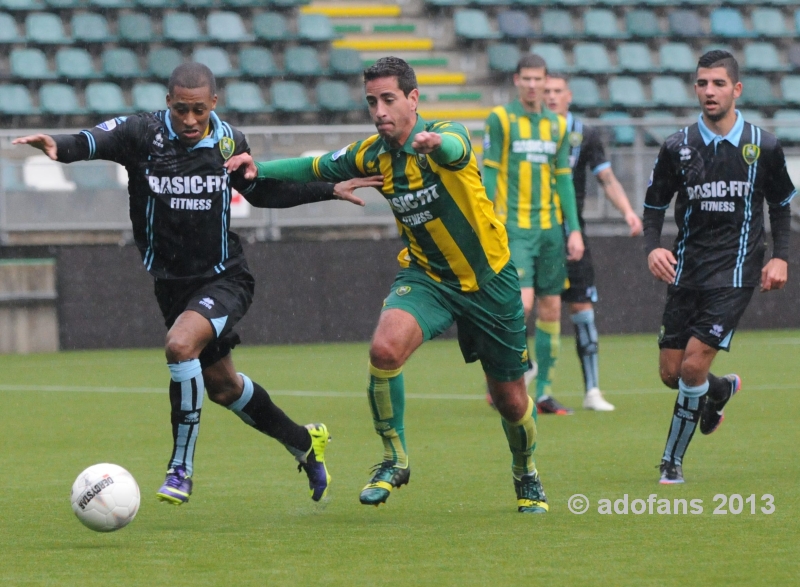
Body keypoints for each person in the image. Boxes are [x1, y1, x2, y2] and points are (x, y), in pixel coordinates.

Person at [13, 63, 378, 505]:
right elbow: (95, 140)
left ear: (214, 105)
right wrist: (60, 147)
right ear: (168, 102)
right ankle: (304, 441)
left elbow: (260, 191)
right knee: (224, 387)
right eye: (182, 109)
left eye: (199, 111)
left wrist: (326, 189)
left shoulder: (228, 141)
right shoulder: (142, 133)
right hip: (171, 284)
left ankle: (180, 468)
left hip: (225, 277)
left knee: (180, 346)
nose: (190, 120)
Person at [227, 56, 551, 514]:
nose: (379, 110)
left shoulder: (446, 133)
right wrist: (261, 167)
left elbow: (455, 149)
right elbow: (317, 166)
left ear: (413, 99)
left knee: (510, 400)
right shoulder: (371, 154)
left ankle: (526, 472)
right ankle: (393, 458)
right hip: (427, 278)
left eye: (389, 99)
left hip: (489, 283)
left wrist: (434, 144)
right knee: (384, 350)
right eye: (372, 101)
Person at [644, 50, 794, 484]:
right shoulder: (677, 146)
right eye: (702, 84)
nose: (709, 91)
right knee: (672, 373)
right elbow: (654, 205)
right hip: (686, 271)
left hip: (735, 273)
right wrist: (653, 247)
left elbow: (782, 204)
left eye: (718, 84)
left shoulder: (762, 145)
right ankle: (720, 389)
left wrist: (780, 256)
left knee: (693, 366)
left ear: (736, 89)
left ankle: (671, 462)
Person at [482, 54, 584, 416]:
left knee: (552, 309)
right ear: (516, 80)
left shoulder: (557, 126)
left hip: (549, 231)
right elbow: (490, 173)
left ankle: (543, 393)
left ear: (544, 82)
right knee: (521, 306)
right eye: (525, 78)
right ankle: (503, 377)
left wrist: (574, 230)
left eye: (537, 79)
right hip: (514, 229)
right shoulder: (501, 119)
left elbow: (563, 180)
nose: (531, 85)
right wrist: (485, 221)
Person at [544, 72, 644, 412]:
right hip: (533, 230)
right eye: (546, 91)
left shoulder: (584, 134)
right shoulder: (529, 133)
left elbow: (606, 177)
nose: (552, 96)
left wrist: (629, 212)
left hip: (572, 231)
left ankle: (592, 391)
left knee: (582, 307)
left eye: (557, 90)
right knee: (534, 307)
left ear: (569, 95)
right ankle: (519, 381)